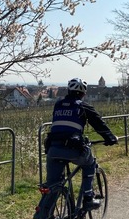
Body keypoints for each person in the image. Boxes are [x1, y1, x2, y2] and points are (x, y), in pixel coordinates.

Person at [44, 77, 118, 211]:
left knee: (52, 186)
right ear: (84, 93)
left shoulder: (58, 104)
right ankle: (88, 198)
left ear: (68, 90)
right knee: (89, 163)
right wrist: (110, 138)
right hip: (72, 148)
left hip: (53, 149)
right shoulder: (83, 106)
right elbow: (98, 123)